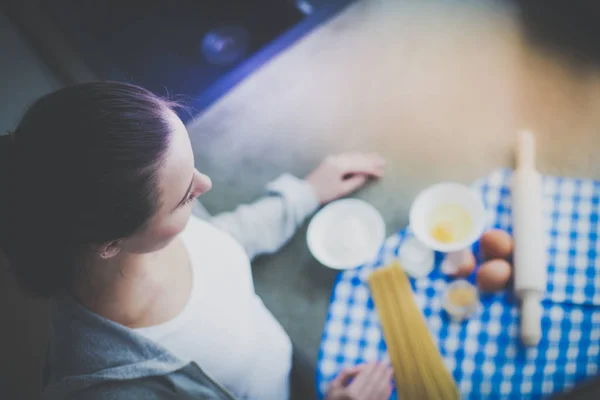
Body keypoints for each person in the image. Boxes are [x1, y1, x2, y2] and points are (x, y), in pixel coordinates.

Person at [0, 81, 393, 399]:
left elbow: (219, 242)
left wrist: (304, 194)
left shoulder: (143, 219)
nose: (205, 184)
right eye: (185, 196)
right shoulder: (114, 388)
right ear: (109, 242)